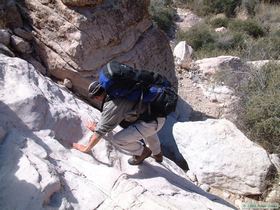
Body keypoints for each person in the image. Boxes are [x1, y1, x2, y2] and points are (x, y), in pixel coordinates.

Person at [72, 81, 166, 165]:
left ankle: (142, 152)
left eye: (94, 97)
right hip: (156, 114)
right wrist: (98, 127)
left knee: (118, 140)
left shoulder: (112, 105)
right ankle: (158, 154)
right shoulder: (118, 90)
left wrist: (86, 148)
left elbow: (100, 132)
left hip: (151, 123)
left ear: (96, 97)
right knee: (147, 129)